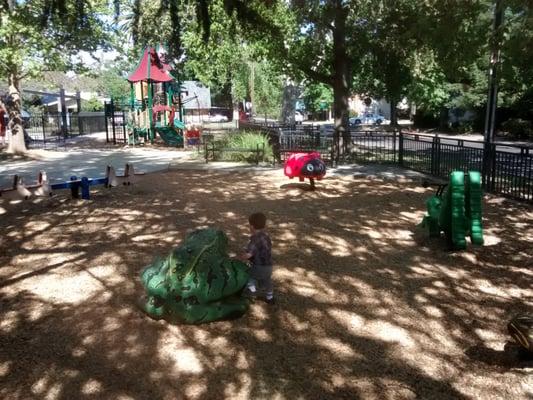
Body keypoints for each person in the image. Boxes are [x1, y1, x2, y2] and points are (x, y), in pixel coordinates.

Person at [239, 212, 275, 304]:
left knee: (250, 277)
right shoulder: (266, 237)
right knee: (267, 281)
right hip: (269, 266)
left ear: (251, 226)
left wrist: (240, 257)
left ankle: (252, 291)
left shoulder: (254, 239)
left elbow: (249, 255)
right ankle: (270, 298)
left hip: (258, 267)